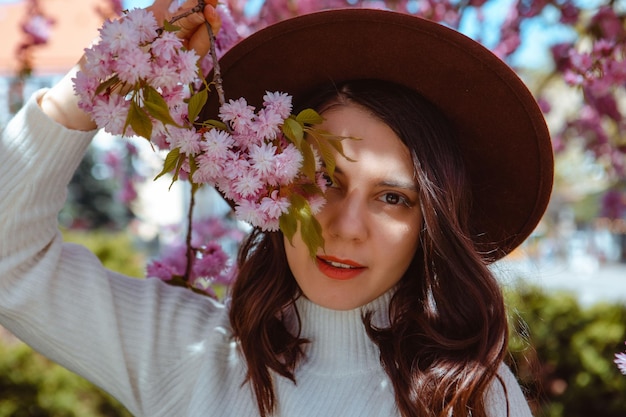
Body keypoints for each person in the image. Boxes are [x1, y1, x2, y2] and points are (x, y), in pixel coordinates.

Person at [0, 0, 554, 416]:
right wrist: (95, 86)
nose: (346, 227)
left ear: (429, 223)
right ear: (273, 182)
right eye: (323, 180)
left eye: (393, 198)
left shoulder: (472, 398)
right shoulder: (188, 354)